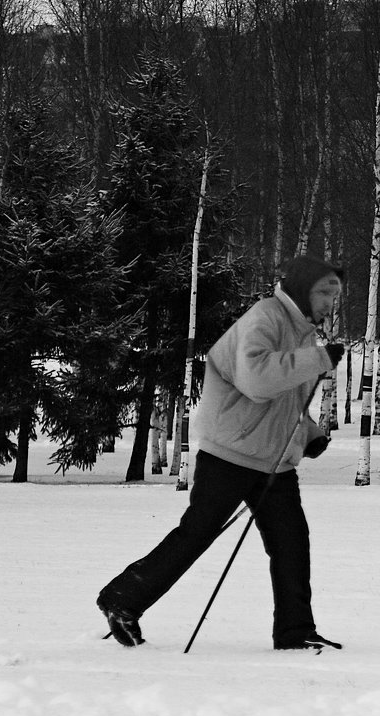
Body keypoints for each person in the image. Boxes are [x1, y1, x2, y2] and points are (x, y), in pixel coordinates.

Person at [97, 254, 346, 651]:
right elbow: (257, 380)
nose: (331, 300)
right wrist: (316, 360)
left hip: (272, 461)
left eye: (335, 292)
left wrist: (308, 433)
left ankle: (296, 632)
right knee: (197, 534)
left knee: (291, 542)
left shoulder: (301, 332)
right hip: (229, 453)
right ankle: (122, 599)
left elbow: (282, 402)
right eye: (324, 291)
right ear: (302, 289)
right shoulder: (265, 318)